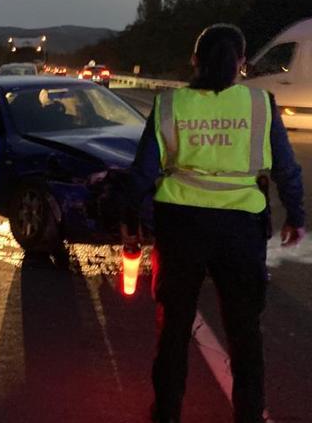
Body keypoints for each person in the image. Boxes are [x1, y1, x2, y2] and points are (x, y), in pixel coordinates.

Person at [124, 24, 305, 423]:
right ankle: (248, 414)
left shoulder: (170, 105)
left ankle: (167, 413)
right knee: (244, 331)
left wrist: (128, 216)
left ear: (194, 61)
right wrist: (296, 216)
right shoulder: (261, 104)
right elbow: (287, 170)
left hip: (181, 226)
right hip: (241, 229)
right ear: (242, 63)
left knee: (173, 328)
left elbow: (142, 172)